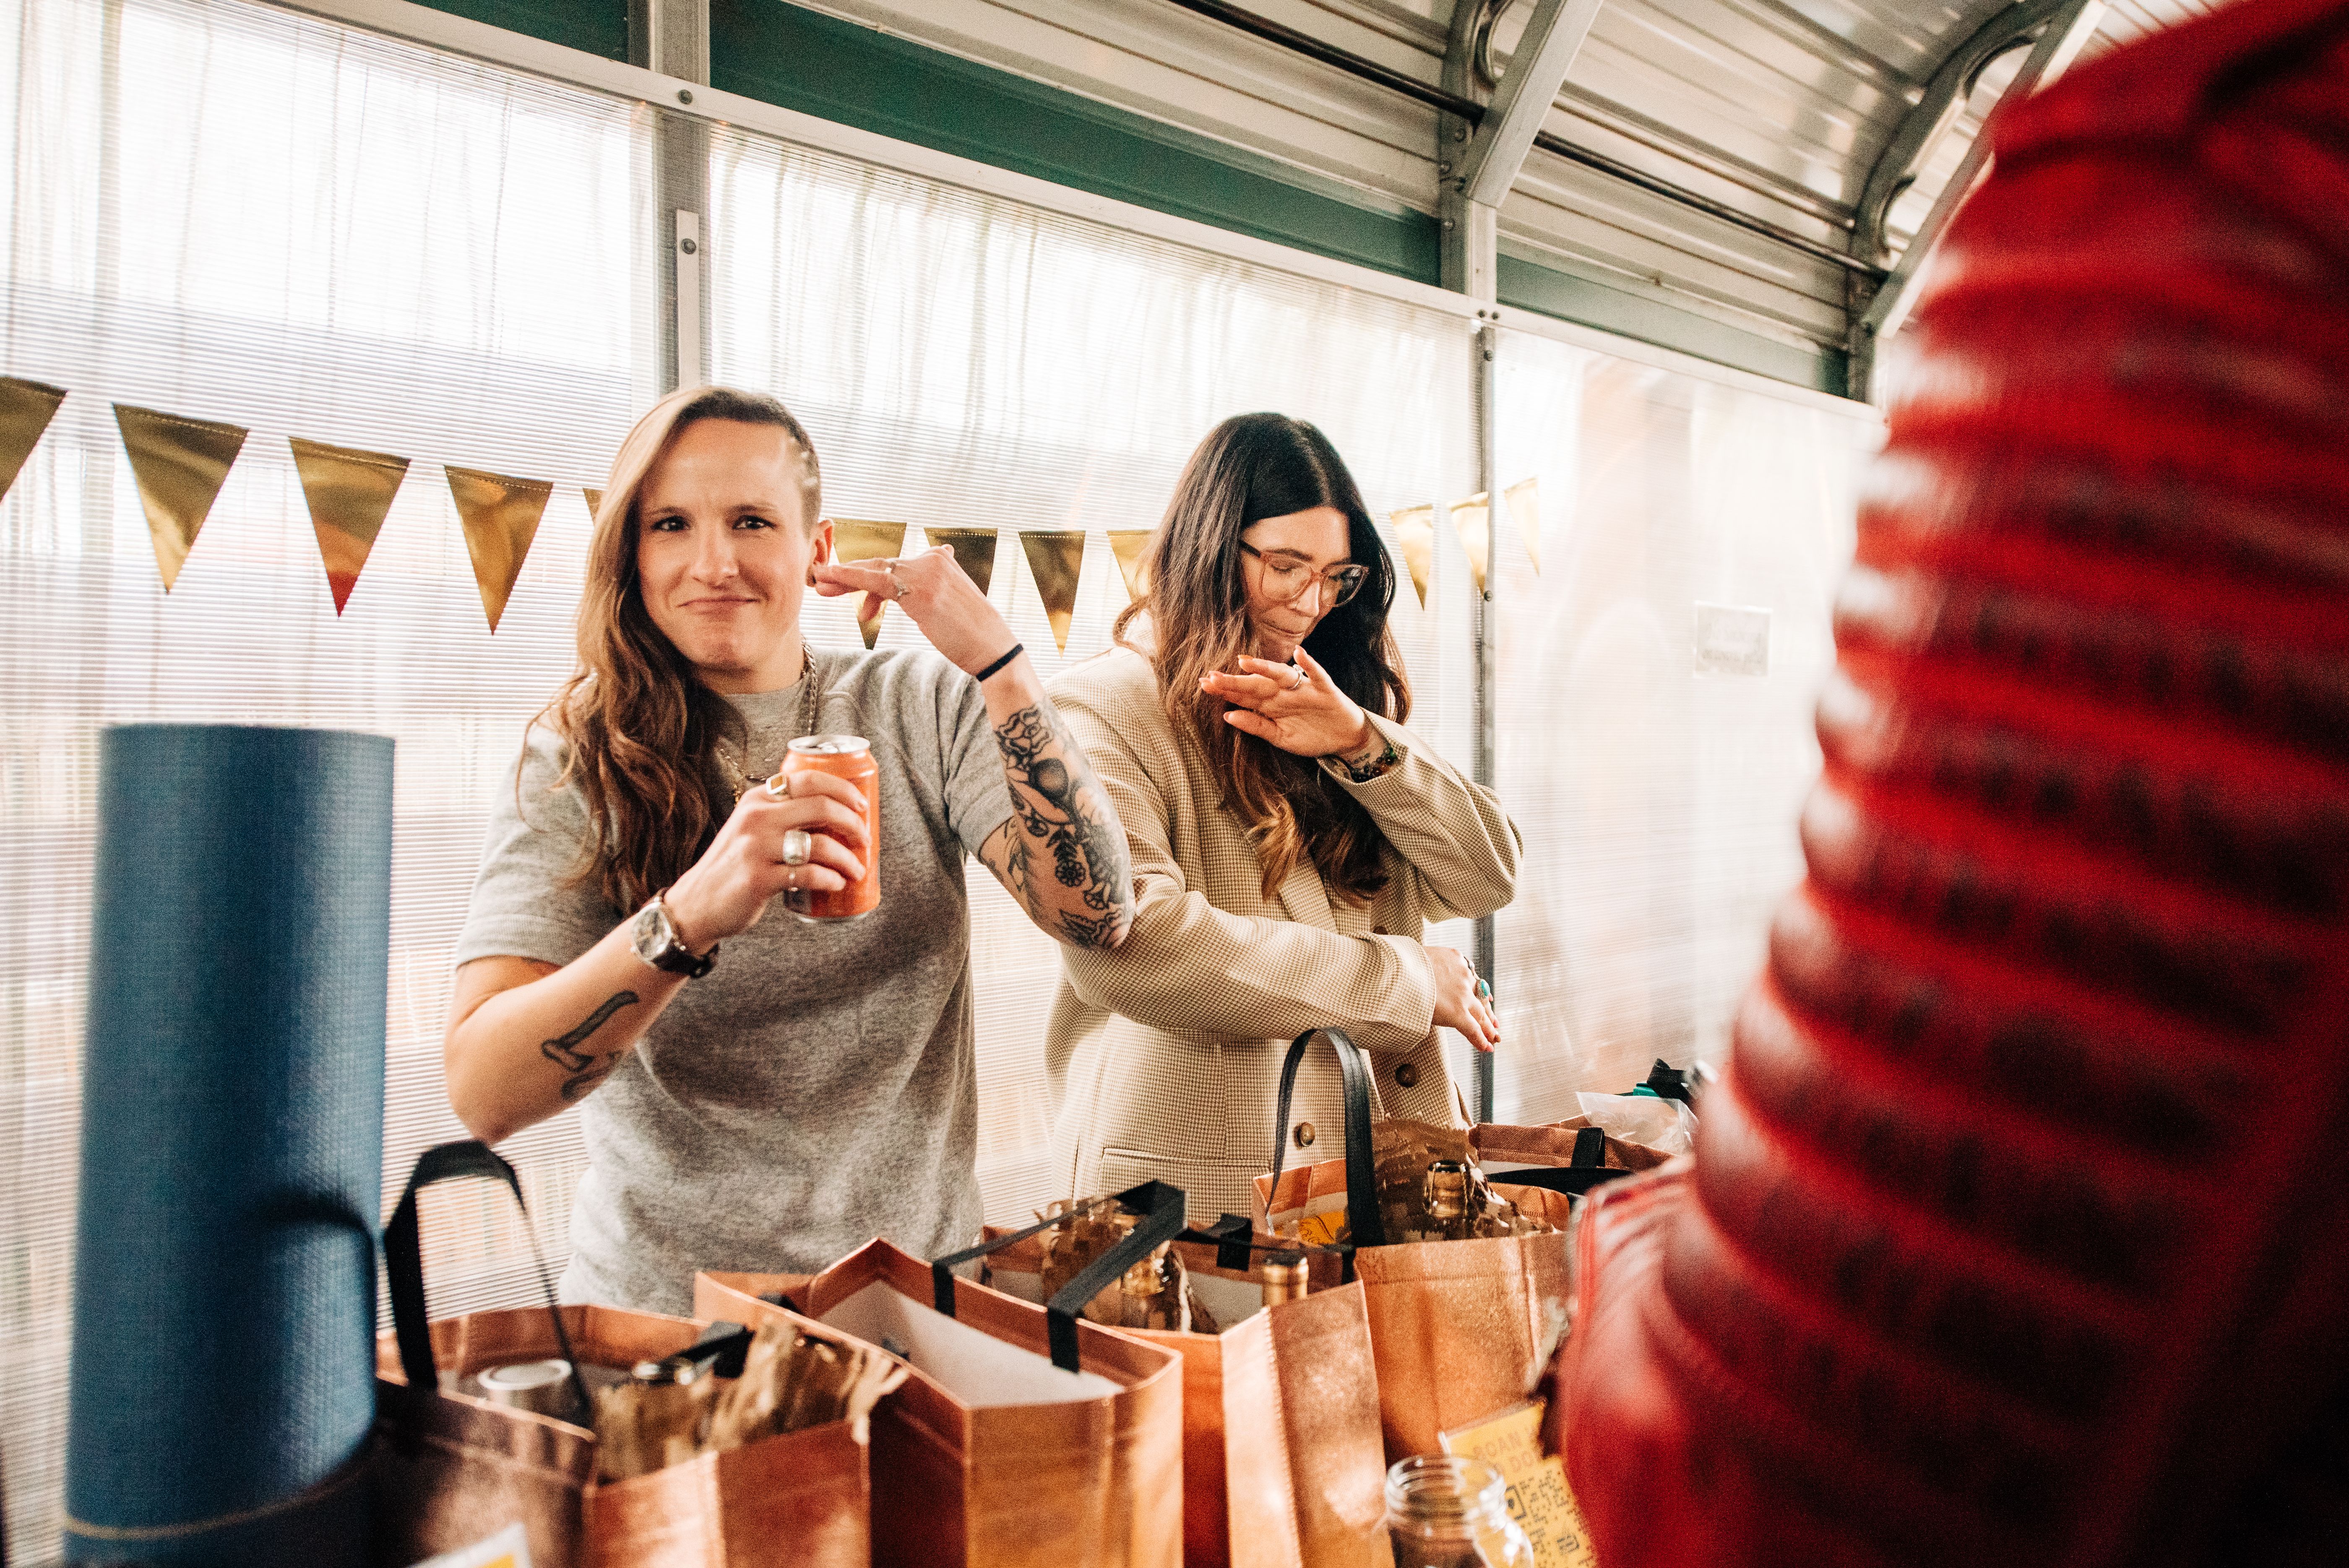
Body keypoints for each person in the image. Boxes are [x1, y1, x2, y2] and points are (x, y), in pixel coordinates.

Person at [444, 384, 1131, 1313]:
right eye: (672, 524)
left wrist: (1001, 664)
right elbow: (484, 1095)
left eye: (752, 521)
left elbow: (1096, 915)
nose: (713, 561)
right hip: (665, 1320)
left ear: (817, 551)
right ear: (631, 553)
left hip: (907, 1300)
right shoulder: (582, 752)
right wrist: (689, 914)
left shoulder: (918, 705)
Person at [1044, 413, 1520, 1218]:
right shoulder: (1100, 706)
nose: (1313, 602)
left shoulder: (1333, 703)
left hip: (1371, 1165)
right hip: (1191, 1183)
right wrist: (1405, 980)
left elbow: (1485, 874)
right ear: (1211, 548)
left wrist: (1360, 739)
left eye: (1339, 576)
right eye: (1287, 567)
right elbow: (1130, 945)